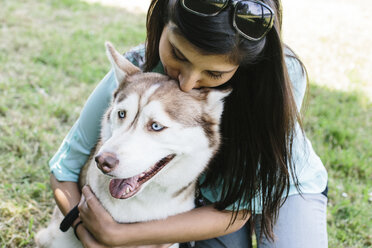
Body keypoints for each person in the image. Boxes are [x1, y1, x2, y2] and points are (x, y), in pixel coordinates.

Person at [48, 0, 328, 247]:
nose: (187, 82)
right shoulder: (137, 71)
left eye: (214, 72)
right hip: (208, 200)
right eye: (178, 55)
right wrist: (83, 229)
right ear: (164, 23)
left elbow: (239, 209)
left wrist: (120, 236)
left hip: (282, 187)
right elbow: (65, 165)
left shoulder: (279, 78)